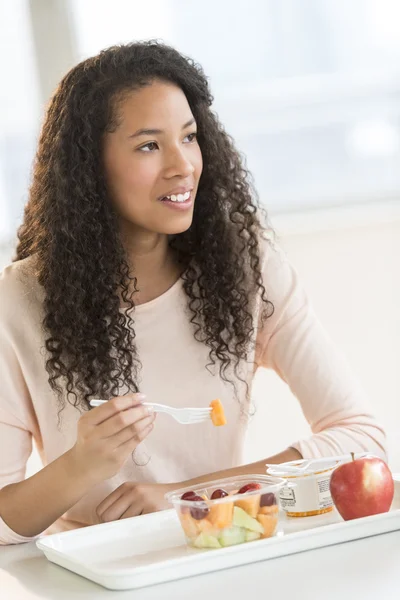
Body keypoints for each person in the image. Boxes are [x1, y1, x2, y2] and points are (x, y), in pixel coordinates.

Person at [0, 42, 386, 545]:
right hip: (96, 574)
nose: (182, 165)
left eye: (189, 137)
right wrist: (80, 465)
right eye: (148, 145)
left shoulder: (247, 271)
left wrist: (190, 494)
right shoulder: (19, 301)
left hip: (223, 551)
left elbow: (360, 438)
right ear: (89, 168)